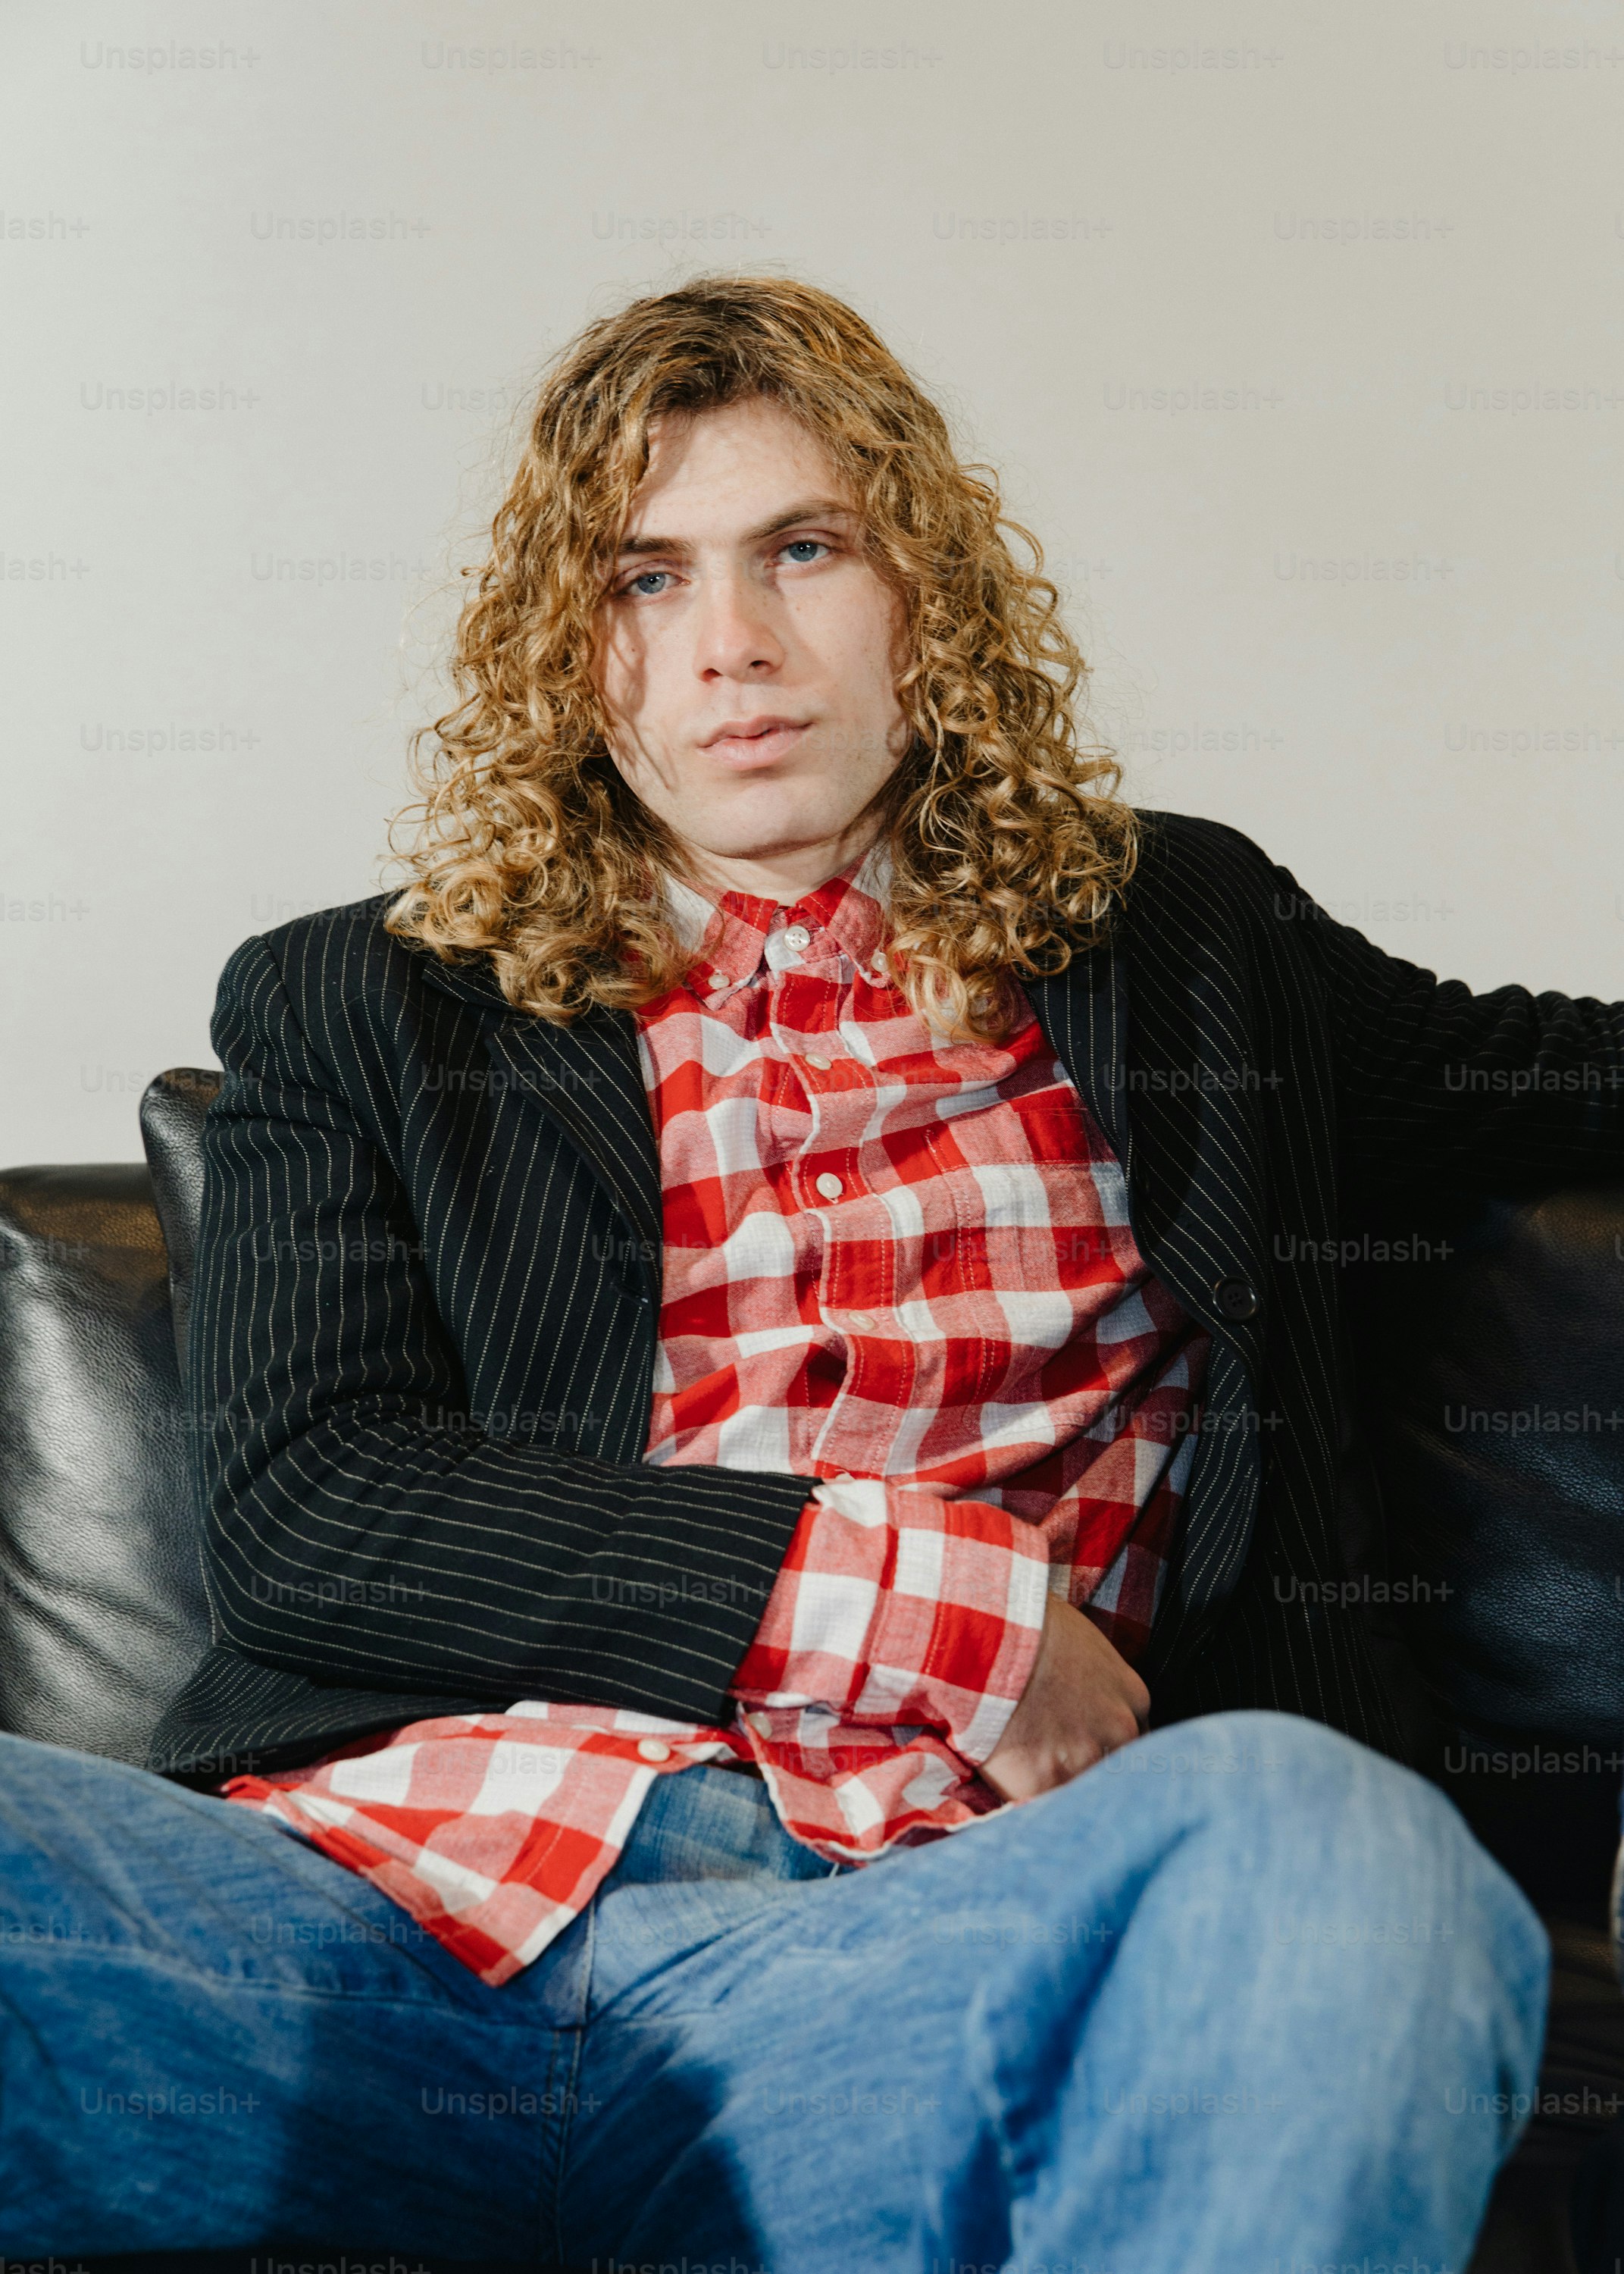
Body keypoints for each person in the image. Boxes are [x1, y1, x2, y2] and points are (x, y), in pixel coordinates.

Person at [20, 269, 1624, 2269]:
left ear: (925, 594)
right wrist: (955, 1615)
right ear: (567, 647)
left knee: (1341, 1856)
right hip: (373, 1935)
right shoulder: (363, 1003)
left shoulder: (1184, 940)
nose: (735, 647)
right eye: (646, 579)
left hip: (921, 1972)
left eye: (804, 549)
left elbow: (1547, 1072)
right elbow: (313, 1506)